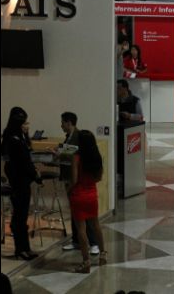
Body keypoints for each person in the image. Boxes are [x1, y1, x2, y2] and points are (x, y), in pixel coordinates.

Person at [1, 106, 41, 260]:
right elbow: (19, 162)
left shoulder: (20, 137)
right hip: (18, 182)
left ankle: (25, 248)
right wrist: (35, 175)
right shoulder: (12, 138)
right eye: (24, 123)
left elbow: (26, 160)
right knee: (19, 216)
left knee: (23, 215)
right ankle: (20, 249)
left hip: (24, 181)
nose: (27, 126)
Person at [59, 112, 99, 254]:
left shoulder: (80, 137)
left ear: (69, 122)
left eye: (63, 122)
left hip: (78, 183)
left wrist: (72, 184)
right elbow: (67, 153)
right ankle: (76, 240)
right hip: (68, 178)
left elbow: (76, 156)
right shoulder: (68, 138)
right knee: (75, 213)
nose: (61, 125)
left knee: (86, 215)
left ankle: (93, 243)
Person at [69, 130, 107, 273]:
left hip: (78, 195)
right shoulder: (96, 157)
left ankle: (86, 262)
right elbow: (99, 178)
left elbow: (74, 180)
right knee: (96, 225)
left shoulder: (76, 157)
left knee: (81, 230)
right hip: (92, 194)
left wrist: (69, 189)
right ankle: (103, 254)